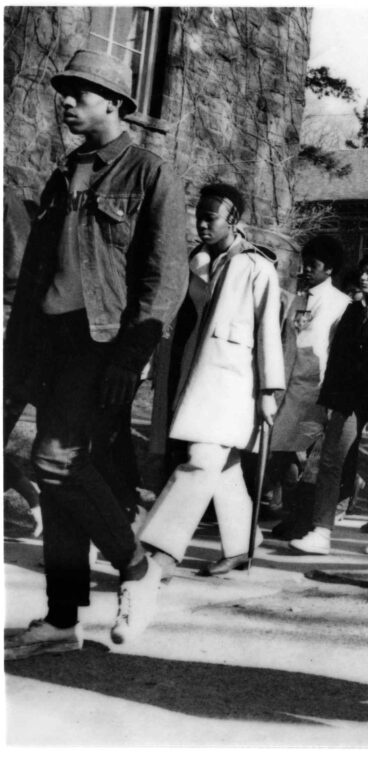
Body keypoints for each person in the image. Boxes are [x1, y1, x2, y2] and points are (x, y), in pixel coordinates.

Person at [3, 50, 187, 660]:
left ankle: (137, 569)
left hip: (100, 341)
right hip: (48, 342)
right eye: (64, 91)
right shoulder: (63, 174)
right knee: (54, 479)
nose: (66, 101)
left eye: (80, 92)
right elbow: (38, 273)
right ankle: (61, 620)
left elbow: (166, 280)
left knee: (55, 459)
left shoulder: (149, 175)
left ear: (115, 103)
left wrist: (129, 358)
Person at [113, 183, 283, 640]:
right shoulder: (192, 262)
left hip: (233, 382)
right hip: (188, 375)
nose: (203, 223)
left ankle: (158, 555)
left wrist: (271, 387)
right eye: (199, 216)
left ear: (236, 218)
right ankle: (244, 542)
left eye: (213, 216)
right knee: (221, 466)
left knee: (202, 461)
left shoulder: (256, 267)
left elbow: (270, 328)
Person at [287, 253, 368, 555]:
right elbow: (337, 356)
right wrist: (331, 399)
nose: (363, 278)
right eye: (362, 272)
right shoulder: (352, 311)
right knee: (330, 462)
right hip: (348, 400)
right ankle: (321, 531)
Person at [267, 235, 352, 539]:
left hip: (318, 392)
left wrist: (331, 395)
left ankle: (305, 518)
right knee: (283, 455)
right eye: (304, 263)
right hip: (289, 390)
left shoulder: (341, 304)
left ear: (329, 269)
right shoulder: (297, 301)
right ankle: (292, 514)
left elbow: (336, 353)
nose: (305, 269)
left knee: (307, 461)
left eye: (313, 265)